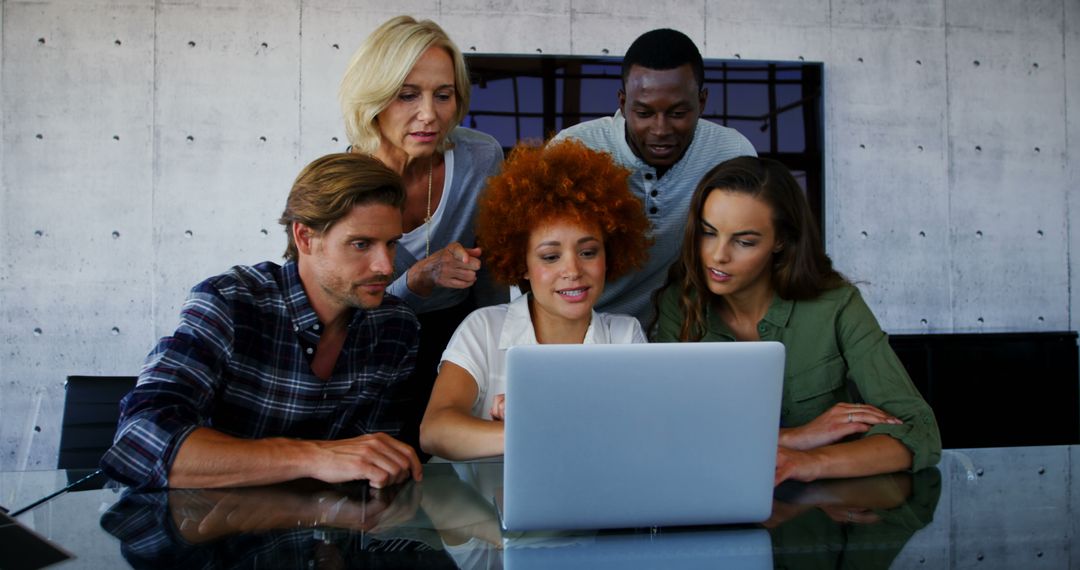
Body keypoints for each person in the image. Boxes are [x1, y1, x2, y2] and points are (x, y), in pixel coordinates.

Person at [101, 153, 423, 490]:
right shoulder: (230, 302)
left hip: (312, 518)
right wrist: (313, 457)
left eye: (391, 244)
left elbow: (369, 470)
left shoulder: (394, 327)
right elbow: (140, 442)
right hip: (179, 517)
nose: (386, 266)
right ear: (304, 237)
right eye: (361, 244)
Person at [652, 156, 941, 485]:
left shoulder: (837, 306)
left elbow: (921, 431)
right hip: (713, 496)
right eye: (708, 233)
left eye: (744, 242)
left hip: (826, 504)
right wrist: (795, 438)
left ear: (780, 240)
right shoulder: (680, 304)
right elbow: (669, 438)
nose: (718, 256)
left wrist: (809, 462)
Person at [419, 140, 652, 460]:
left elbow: (637, 439)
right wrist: (532, 431)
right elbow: (435, 431)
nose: (573, 270)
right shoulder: (484, 328)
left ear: (608, 255)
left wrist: (540, 420)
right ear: (522, 264)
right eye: (550, 256)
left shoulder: (625, 337)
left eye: (588, 252)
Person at [339, 16, 505, 444]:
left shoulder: (480, 158)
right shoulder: (341, 185)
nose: (430, 115)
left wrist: (499, 356)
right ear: (374, 97)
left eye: (443, 95)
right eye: (408, 95)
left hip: (457, 340)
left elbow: (491, 277)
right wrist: (416, 280)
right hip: (368, 345)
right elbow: (338, 314)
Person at [551, 28, 756, 325]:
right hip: (582, 326)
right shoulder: (574, 149)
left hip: (681, 328)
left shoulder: (731, 153)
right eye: (644, 113)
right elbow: (541, 260)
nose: (660, 130)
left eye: (678, 113)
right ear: (622, 102)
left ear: (702, 101)